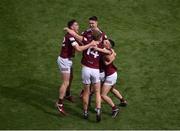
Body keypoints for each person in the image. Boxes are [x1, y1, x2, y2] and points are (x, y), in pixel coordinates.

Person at [56, 19, 97, 115]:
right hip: (64, 61)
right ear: (72, 27)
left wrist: (88, 43)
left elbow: (81, 41)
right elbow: (78, 49)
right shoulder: (70, 36)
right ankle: (60, 103)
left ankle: (67, 94)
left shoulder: (72, 35)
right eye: (76, 25)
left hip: (68, 60)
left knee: (71, 78)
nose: (78, 26)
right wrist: (90, 44)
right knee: (65, 82)